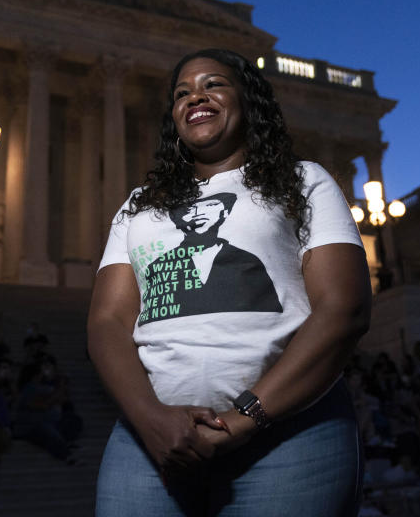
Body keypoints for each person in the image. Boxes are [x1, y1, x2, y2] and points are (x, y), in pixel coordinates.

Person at [88, 48, 372, 516]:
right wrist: (153, 420)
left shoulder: (304, 181)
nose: (195, 96)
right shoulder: (140, 206)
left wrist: (244, 421)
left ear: (248, 100)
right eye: (182, 92)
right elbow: (106, 322)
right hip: (153, 437)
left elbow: (345, 308)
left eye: (213, 84)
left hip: (290, 432)